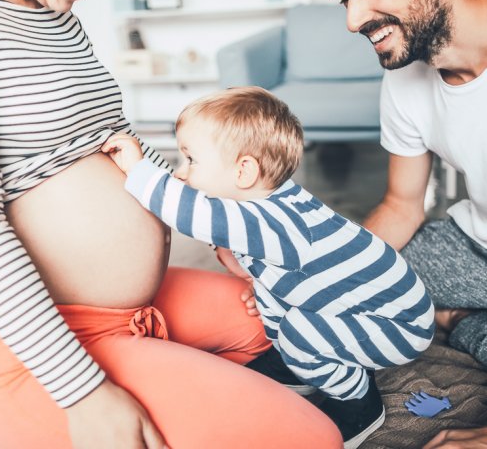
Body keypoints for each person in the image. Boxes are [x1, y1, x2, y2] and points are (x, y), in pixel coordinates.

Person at [0, 0, 344, 448]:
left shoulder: (51, 11)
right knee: (312, 438)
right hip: (33, 348)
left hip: (136, 309)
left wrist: (226, 230)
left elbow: (116, 145)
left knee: (283, 321)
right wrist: (84, 393)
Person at [101, 86, 436, 449]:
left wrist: (139, 169)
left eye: (191, 160)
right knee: (269, 294)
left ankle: (356, 399)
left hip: (398, 324)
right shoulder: (272, 201)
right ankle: (296, 362)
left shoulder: (274, 222)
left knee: (297, 330)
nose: (182, 174)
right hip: (367, 307)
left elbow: (191, 214)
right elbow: (236, 246)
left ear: (244, 170)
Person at [322, 0, 487, 446]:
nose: (353, 19)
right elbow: (400, 204)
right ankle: (462, 320)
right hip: (472, 245)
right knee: (334, 292)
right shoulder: (406, 78)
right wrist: (320, 275)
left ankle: (459, 323)